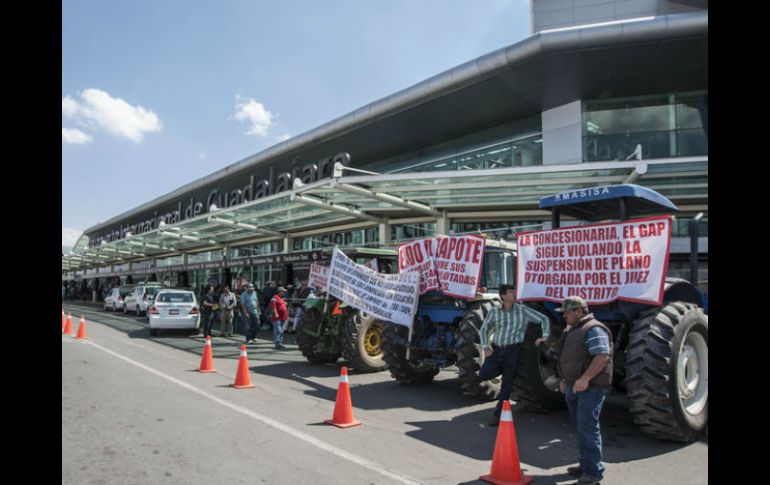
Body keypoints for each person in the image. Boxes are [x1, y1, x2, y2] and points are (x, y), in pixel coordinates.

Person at [554, 295, 613, 485]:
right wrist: (565, 379)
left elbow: (602, 355)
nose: (564, 316)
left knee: (588, 429)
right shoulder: (574, 329)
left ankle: (593, 473)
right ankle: (585, 465)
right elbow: (569, 357)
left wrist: (585, 379)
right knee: (581, 428)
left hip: (589, 388)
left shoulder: (593, 329)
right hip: (573, 386)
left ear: (579, 311)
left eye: (567, 312)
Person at [478, 283, 550, 426]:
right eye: (511, 292)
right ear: (503, 295)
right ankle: (505, 370)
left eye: (514, 292)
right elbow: (483, 329)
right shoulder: (494, 311)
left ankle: (498, 415)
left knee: (507, 385)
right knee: (483, 374)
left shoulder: (522, 310)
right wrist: (485, 346)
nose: (514, 294)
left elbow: (544, 319)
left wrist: (545, 336)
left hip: (513, 351)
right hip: (497, 350)